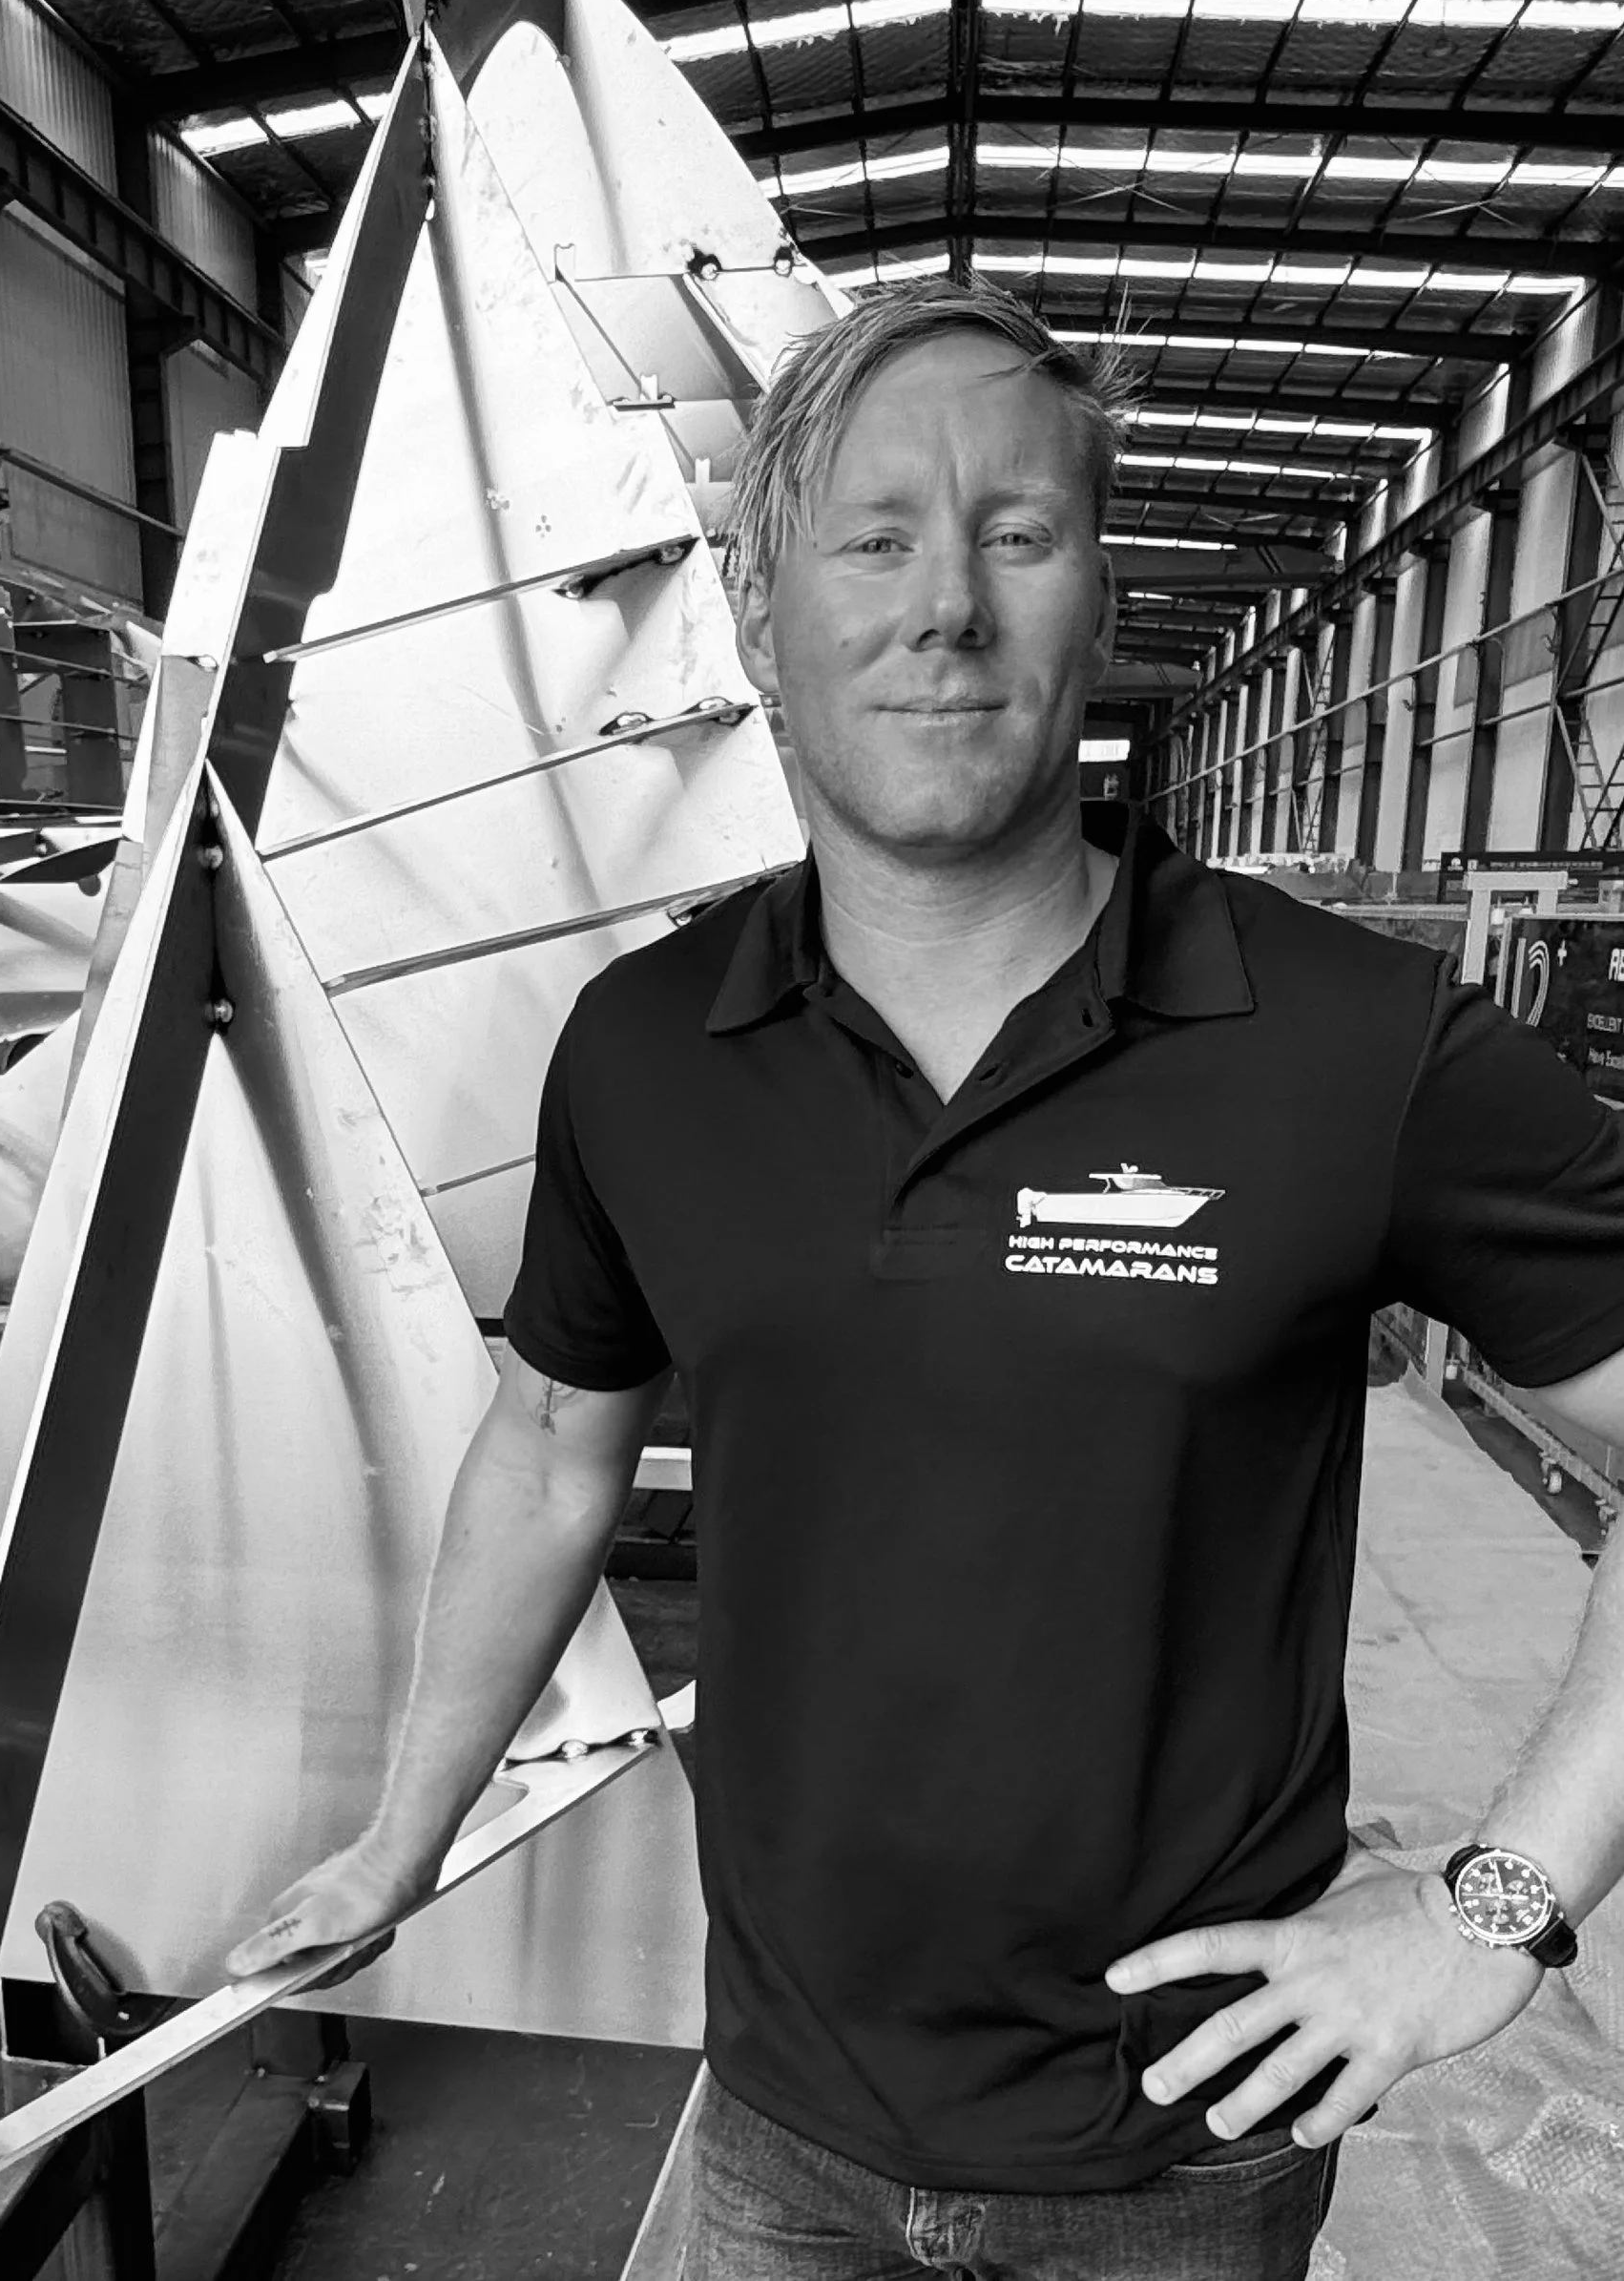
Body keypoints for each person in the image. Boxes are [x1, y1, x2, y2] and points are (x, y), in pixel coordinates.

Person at [226, 279, 1624, 2278]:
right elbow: (548, 1445)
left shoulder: (1353, 1047)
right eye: (869, 538)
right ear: (759, 615)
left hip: (1178, 2156)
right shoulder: (640, 1050)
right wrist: (402, 1828)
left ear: (1098, 601)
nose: (941, 606)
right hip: (774, 2132)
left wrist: (1491, 1908)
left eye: (1016, 534)